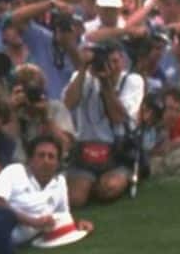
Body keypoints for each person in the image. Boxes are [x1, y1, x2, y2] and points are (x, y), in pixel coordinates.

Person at [62, 41, 145, 206]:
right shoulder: (83, 77)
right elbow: (68, 104)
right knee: (76, 200)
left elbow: (118, 117)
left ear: (123, 61)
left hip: (118, 151)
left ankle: (108, 179)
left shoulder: (132, 80)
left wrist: (105, 83)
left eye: (115, 61)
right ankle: (86, 182)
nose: (110, 66)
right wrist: (83, 68)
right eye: (106, 61)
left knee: (108, 189)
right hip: (85, 149)